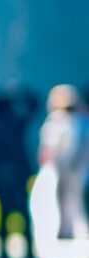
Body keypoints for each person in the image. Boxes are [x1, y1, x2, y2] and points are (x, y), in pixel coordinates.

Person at [0, 88, 40, 258]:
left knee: (3, 230)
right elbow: (35, 104)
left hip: (2, 182)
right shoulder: (17, 123)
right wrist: (19, 93)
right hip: (18, 180)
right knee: (26, 229)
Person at [38, 84, 89, 239]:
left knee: (64, 196)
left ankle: (66, 228)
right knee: (70, 196)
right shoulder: (80, 120)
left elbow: (50, 146)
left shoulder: (58, 120)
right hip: (72, 166)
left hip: (64, 165)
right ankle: (67, 228)